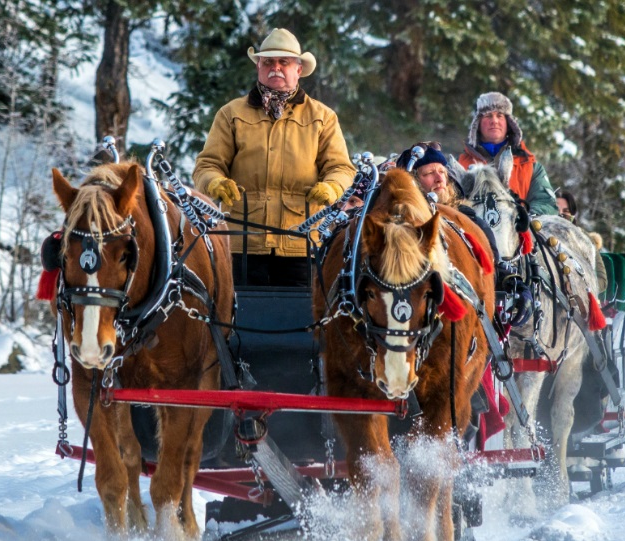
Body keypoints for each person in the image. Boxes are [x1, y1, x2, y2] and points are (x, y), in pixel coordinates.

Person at [193, 28, 356, 286]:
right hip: (240, 241)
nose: (275, 68)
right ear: (258, 66)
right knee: (236, 320)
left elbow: (342, 168)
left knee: (300, 321)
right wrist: (213, 182)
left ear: (299, 69)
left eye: (284, 62)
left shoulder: (323, 117)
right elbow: (207, 165)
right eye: (268, 61)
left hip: (303, 242)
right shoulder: (230, 113)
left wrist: (333, 186)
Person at [396, 142, 532, 327]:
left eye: (442, 172)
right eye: (428, 173)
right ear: (412, 182)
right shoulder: (399, 224)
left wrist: (511, 281)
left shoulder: (467, 219)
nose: (439, 179)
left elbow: (492, 264)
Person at [458, 92, 558, 216]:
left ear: (508, 123)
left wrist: (524, 218)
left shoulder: (530, 166)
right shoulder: (461, 165)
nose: (494, 121)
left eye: (499, 115)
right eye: (488, 115)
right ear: (477, 123)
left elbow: (546, 202)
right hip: (474, 232)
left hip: (520, 233)